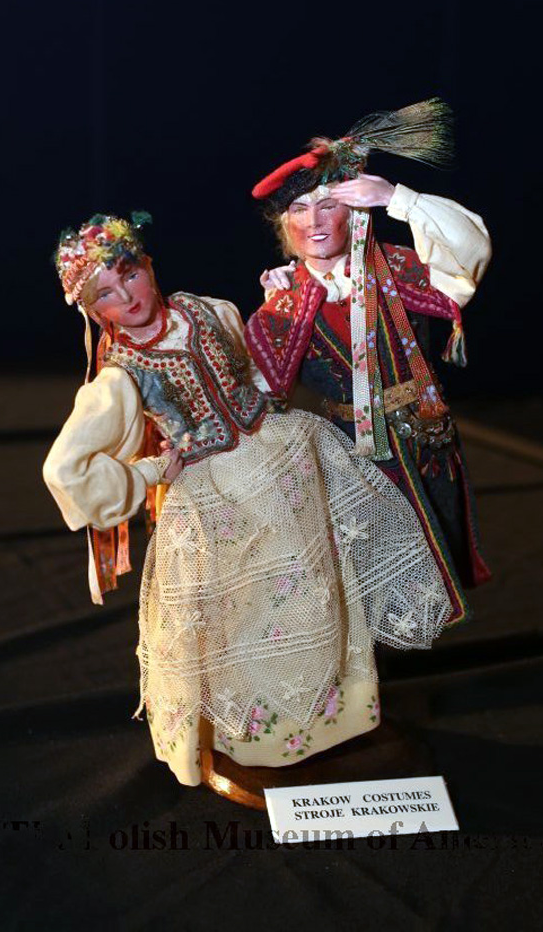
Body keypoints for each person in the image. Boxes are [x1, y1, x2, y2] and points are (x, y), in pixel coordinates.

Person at [44, 212, 461, 788]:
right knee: (244, 617)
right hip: (214, 496)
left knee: (313, 589)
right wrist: (151, 470)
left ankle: (331, 722)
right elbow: (66, 469)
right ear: (94, 312)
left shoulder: (206, 310)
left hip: (283, 464)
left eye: (131, 274)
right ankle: (264, 738)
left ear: (149, 265)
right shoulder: (120, 377)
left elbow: (254, 372)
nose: (129, 296)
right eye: (107, 294)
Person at [246, 99, 492, 625]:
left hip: (421, 448)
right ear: (284, 226)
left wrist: (396, 197)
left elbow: (468, 253)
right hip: (349, 468)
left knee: (428, 583)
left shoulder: (398, 269)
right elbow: (257, 398)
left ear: (354, 210)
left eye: (328, 205)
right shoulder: (281, 308)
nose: (315, 222)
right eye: (299, 210)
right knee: (363, 594)